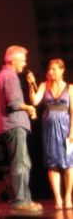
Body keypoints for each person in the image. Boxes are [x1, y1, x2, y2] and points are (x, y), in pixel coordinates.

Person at [0, 45, 42, 213]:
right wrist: (29, 108)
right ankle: (20, 200)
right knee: (20, 163)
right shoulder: (10, 76)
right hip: (14, 124)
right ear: (13, 61)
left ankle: (25, 199)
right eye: (23, 60)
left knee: (23, 162)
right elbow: (14, 104)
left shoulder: (1, 75)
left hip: (10, 124)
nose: (25, 63)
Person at [28, 58, 73, 210]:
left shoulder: (70, 88)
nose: (51, 72)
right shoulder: (43, 85)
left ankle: (67, 197)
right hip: (49, 129)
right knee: (52, 164)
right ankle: (58, 199)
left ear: (62, 71)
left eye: (54, 69)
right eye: (50, 69)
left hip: (66, 129)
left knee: (68, 164)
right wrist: (30, 84)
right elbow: (34, 101)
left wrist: (72, 132)